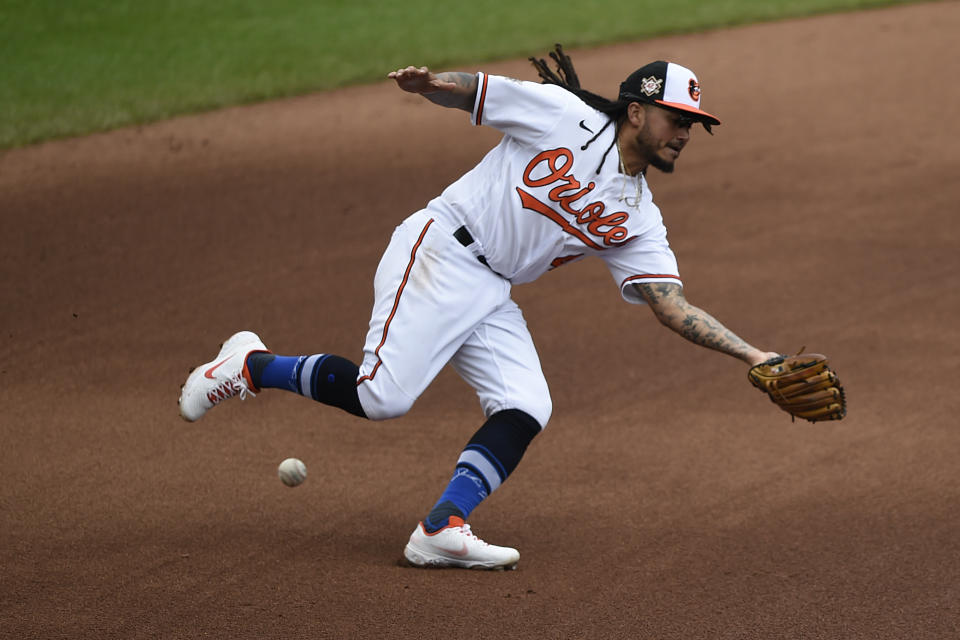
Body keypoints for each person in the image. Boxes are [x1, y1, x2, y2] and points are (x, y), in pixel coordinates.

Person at [178, 45, 779, 571]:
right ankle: (249, 366)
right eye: (679, 119)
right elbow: (482, 93)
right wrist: (432, 84)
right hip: (441, 247)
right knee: (381, 398)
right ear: (639, 112)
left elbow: (671, 305)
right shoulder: (565, 115)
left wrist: (754, 355)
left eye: (694, 125)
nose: (685, 133)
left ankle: (441, 528)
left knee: (526, 404)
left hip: (490, 290)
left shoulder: (640, 217)